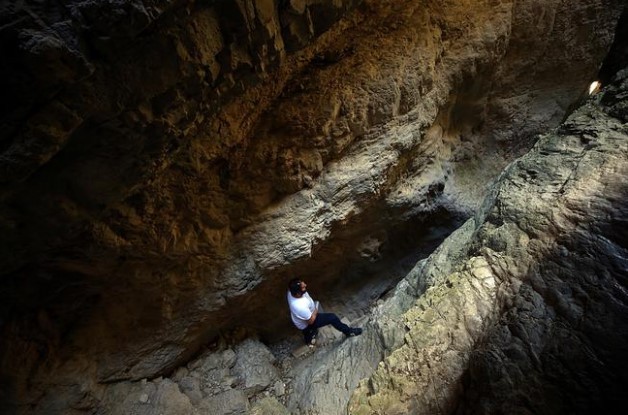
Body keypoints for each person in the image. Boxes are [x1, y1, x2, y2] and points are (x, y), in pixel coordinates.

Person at [287, 278, 363, 346]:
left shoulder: (291, 292)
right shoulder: (299, 306)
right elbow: (311, 321)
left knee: (308, 332)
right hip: (307, 322)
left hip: (304, 317)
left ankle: (310, 337)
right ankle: (349, 332)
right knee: (332, 318)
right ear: (297, 293)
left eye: (303, 283)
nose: (305, 285)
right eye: (303, 287)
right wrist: (315, 310)